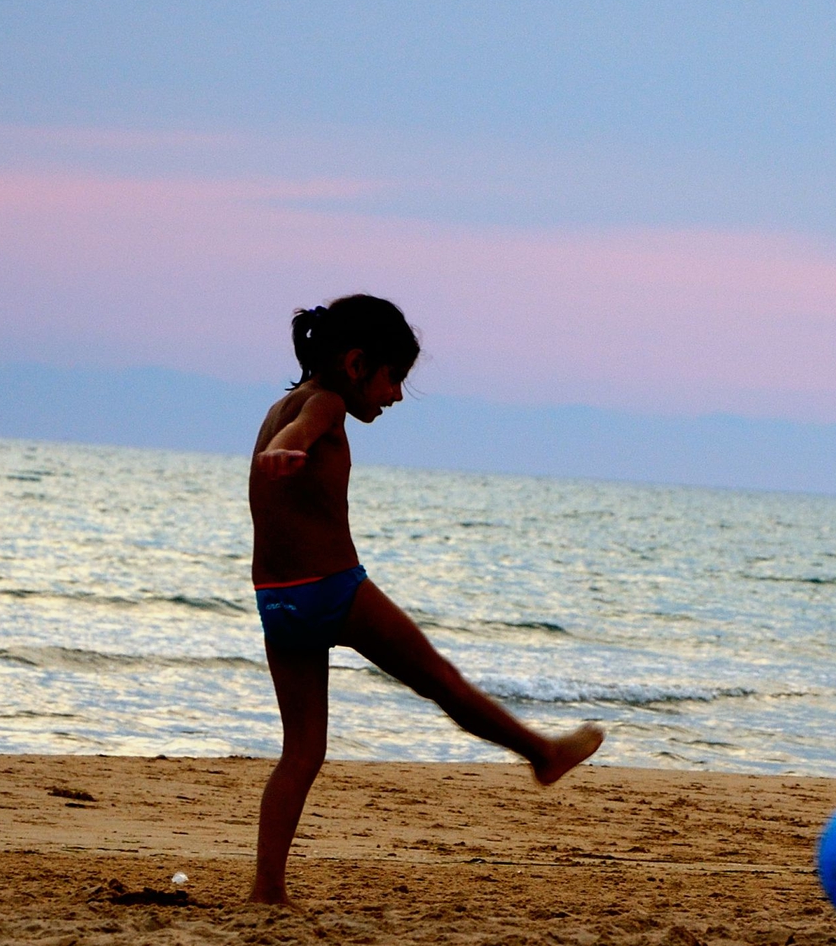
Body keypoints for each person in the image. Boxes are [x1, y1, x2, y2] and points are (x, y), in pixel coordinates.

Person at [246, 294, 603, 904]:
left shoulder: (280, 405)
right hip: (332, 588)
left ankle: (267, 889)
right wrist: (292, 447)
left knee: (302, 752)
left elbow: (294, 429)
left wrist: (280, 448)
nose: (396, 396)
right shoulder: (324, 403)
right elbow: (309, 427)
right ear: (356, 363)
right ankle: (541, 753)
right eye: (394, 378)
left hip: (276, 601)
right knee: (440, 679)